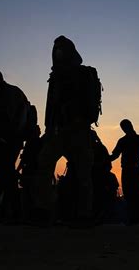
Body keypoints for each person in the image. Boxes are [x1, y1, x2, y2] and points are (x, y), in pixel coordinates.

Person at [33, 36, 98, 227]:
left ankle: (84, 215)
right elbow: (50, 106)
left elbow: (89, 104)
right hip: (57, 132)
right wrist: (48, 129)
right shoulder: (55, 76)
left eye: (61, 48)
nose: (58, 52)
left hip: (78, 131)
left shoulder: (83, 74)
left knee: (83, 174)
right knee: (44, 166)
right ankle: (43, 211)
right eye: (56, 49)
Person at [0, 70, 30, 223]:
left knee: (6, 173)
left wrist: (7, 136)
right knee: (6, 174)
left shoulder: (11, 94)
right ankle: (10, 211)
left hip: (12, 141)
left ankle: (8, 211)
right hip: (6, 141)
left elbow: (18, 118)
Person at [110, 119, 139, 225]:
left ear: (130, 125)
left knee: (136, 193)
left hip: (135, 169)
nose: (125, 129)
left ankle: (136, 217)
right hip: (127, 169)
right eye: (123, 127)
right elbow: (115, 155)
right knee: (128, 193)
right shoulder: (123, 141)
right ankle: (132, 217)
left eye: (125, 126)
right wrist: (104, 159)